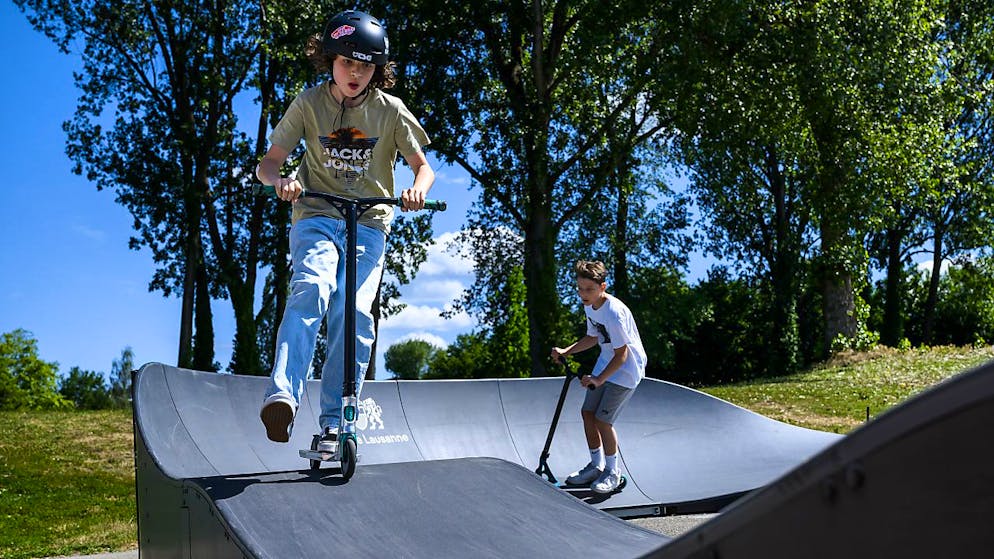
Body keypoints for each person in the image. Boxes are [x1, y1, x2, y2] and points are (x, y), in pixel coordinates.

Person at [257, 10, 435, 451]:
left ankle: (336, 420)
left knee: (353, 310)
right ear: (329, 58)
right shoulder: (308, 103)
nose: (355, 73)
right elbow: (268, 163)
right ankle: (282, 395)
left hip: (369, 222)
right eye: (346, 63)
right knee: (311, 289)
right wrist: (281, 181)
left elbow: (423, 168)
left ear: (378, 70)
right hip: (316, 214)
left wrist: (416, 190)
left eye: (366, 66)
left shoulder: (391, 111)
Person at [550, 260, 647, 494]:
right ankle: (596, 465)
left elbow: (622, 354)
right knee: (587, 414)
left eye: (589, 289)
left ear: (603, 286)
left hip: (626, 370)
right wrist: (567, 350)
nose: (584, 294)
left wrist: (598, 379)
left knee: (603, 421)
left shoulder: (614, 313)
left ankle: (613, 473)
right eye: (580, 289)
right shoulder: (590, 305)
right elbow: (593, 337)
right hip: (607, 363)